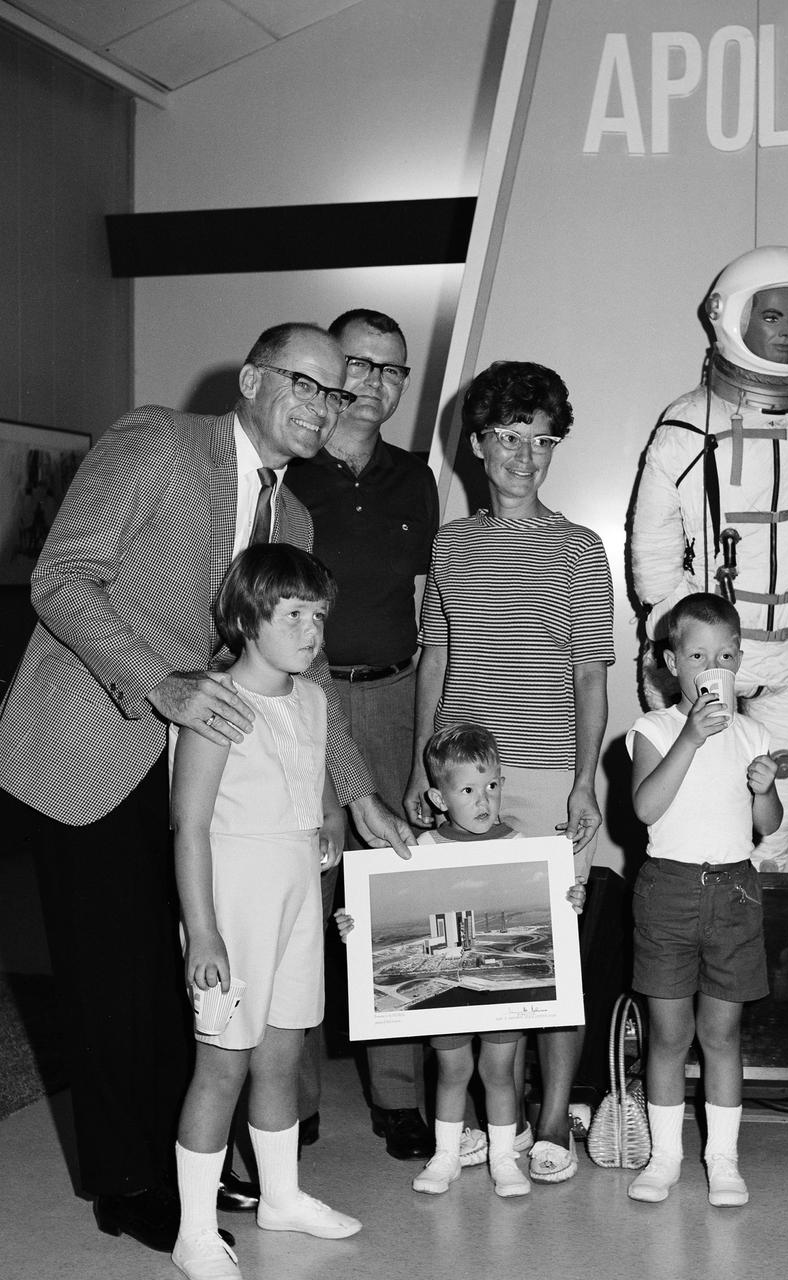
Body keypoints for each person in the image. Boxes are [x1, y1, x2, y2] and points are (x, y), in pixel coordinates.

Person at [0, 322, 409, 1254]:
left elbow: (291, 676)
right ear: (253, 380)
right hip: (93, 745)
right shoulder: (158, 442)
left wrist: (355, 790)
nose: (321, 405)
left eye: (337, 393)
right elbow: (63, 580)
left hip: (206, 771)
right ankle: (130, 1183)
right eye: (303, 384)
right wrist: (159, 680)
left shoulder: (293, 521)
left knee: (196, 978)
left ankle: (193, 1165)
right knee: (116, 981)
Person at [403, 361, 614, 1184]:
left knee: (549, 956)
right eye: (509, 439)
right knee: (468, 953)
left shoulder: (577, 549)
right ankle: (493, 1120)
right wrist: (428, 758)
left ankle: (552, 1117)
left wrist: (583, 780)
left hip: (548, 774)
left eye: (542, 441)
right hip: (462, 779)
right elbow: (438, 653)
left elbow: (592, 672)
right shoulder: (451, 544)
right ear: (478, 447)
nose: (526, 457)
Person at [630, 246, 788, 871]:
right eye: (771, 317)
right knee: (689, 813)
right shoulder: (687, 429)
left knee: (774, 824)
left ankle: (754, 950)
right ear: (730, 318)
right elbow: (654, 564)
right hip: (708, 654)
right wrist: (691, 651)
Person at [171, 544, 360, 1280]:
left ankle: (280, 1194)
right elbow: (189, 826)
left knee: (282, 1053)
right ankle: (194, 1230)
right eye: (293, 615)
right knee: (221, 1067)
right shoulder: (213, 702)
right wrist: (204, 931)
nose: (311, 632)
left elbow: (310, 786)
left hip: (295, 896)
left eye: (318, 616)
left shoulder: (312, 698)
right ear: (250, 618)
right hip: (232, 900)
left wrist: (330, 818)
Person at [285, 307, 437, 1162]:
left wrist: (429, 730)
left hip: (391, 701)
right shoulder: (289, 469)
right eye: (361, 364)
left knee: (392, 906)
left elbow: (431, 607)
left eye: (393, 370)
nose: (375, 383)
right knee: (302, 897)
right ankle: (294, 1096)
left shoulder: (415, 477)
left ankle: (398, 1096)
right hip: (301, 707)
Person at [341, 723, 584, 1198]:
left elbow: (554, 908)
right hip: (451, 983)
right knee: (452, 1070)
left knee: (499, 1072)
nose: (483, 800)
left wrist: (569, 898)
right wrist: (355, 923)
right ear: (438, 797)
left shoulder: (523, 846)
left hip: (496, 989)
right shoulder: (423, 850)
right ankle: (447, 1155)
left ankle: (503, 1158)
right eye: (468, 789)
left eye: (492, 786)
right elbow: (381, 904)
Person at [627, 593, 781, 1207]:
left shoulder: (754, 733)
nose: (710, 665)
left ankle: (723, 1158)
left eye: (723, 654)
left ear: (738, 660)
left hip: (735, 890)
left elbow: (763, 823)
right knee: (668, 1035)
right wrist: (688, 739)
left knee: (723, 1033)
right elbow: (644, 807)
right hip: (668, 889)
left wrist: (765, 789)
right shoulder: (655, 729)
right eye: (696, 655)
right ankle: (665, 1157)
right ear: (672, 662)